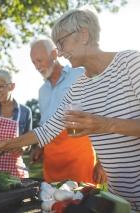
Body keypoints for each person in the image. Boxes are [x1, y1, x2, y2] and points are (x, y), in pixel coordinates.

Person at [0, 7, 140, 213]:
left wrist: (106, 124)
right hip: (120, 197)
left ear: (83, 35)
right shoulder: (78, 87)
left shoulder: (130, 62)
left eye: (61, 43)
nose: (61, 52)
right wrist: (0, 145)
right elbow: (45, 131)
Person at [29, 37, 106, 184]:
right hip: (52, 163)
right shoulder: (42, 91)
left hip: (80, 157)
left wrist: (103, 163)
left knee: (83, 202)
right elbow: (46, 126)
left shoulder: (81, 75)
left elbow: (104, 113)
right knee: (52, 202)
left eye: (39, 60)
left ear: (54, 54)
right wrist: (40, 147)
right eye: (33, 63)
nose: (37, 66)